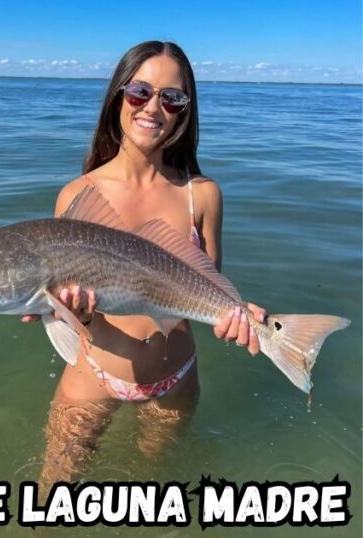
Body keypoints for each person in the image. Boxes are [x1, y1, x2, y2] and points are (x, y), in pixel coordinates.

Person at [20, 41, 267, 492]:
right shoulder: (76, 194)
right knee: (50, 498)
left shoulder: (203, 194)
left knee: (150, 493)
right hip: (94, 374)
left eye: (172, 98)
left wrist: (239, 317)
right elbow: (65, 310)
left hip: (175, 381)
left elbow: (208, 289)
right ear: (118, 95)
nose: (153, 107)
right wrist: (68, 311)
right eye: (139, 91)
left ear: (184, 112)